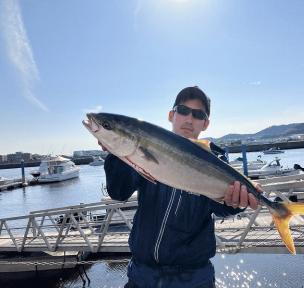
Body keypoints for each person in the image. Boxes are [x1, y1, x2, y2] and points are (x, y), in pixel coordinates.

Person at [102, 86, 261, 288]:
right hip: (142, 276)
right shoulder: (146, 150)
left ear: (206, 123)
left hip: (194, 279)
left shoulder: (215, 160)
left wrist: (237, 202)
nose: (189, 119)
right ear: (171, 115)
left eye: (198, 114)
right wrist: (117, 154)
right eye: (183, 111)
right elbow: (118, 192)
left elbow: (221, 208)